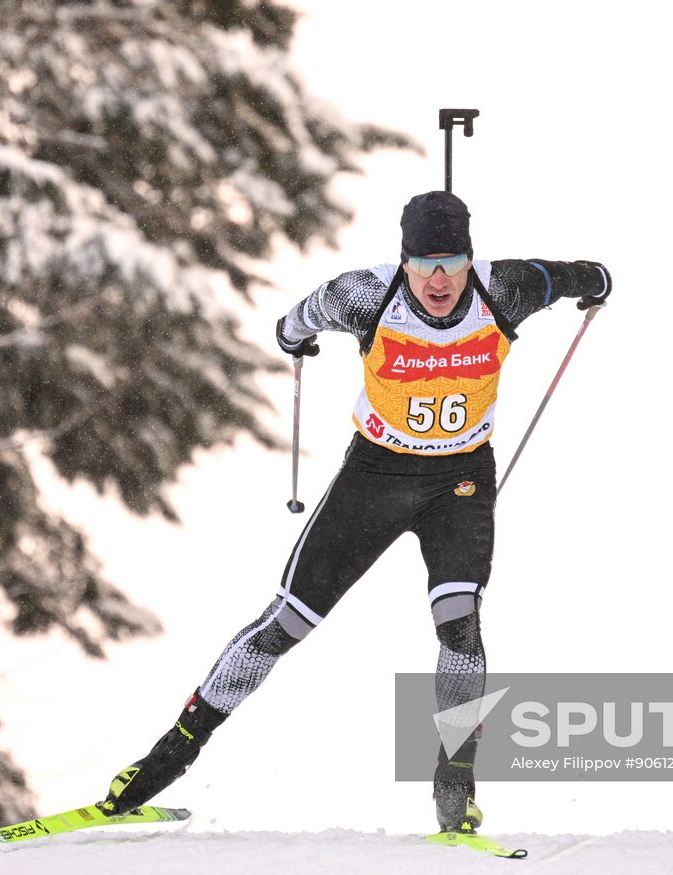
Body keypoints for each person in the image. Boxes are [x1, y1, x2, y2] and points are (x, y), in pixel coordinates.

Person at [102, 191, 611, 833]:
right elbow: (297, 320)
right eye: (422, 265)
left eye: (451, 264)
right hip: (375, 478)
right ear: (403, 261)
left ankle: (455, 786)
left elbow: (573, 277)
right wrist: (293, 338)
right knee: (287, 622)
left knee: (459, 626)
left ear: (469, 260)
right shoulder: (366, 295)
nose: (437, 281)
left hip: (459, 481)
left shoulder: (505, 289)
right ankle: (164, 760)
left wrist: (595, 281)